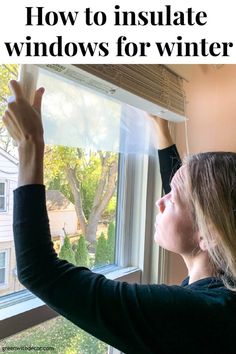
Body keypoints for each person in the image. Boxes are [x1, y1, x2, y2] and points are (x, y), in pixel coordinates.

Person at [3, 80, 236, 354]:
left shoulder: (198, 315)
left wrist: (30, 144)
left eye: (172, 197)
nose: (161, 202)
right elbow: (192, 212)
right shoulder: (222, 287)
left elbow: (39, 270)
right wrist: (162, 132)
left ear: (209, 234)